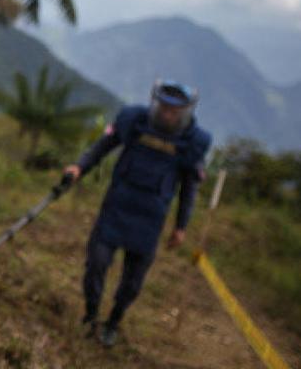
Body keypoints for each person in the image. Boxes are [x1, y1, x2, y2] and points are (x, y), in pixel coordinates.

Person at [62, 80, 212, 348]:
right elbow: (102, 147)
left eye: (174, 110)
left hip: (150, 220)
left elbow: (189, 189)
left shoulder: (192, 143)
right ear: (156, 103)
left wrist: (181, 227)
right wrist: (78, 168)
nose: (167, 113)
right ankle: (91, 315)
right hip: (116, 207)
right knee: (96, 264)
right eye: (164, 107)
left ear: (185, 111)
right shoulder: (134, 121)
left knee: (132, 282)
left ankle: (113, 322)